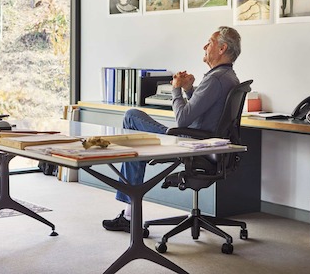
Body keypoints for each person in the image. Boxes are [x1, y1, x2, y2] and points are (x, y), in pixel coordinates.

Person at [102, 26, 242, 232]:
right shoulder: (227, 76)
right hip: (204, 140)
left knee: (132, 116)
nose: (204, 46)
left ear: (221, 48)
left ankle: (131, 214)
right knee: (137, 137)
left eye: (209, 42)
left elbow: (183, 118)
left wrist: (175, 89)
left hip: (188, 142)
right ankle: (130, 212)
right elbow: (204, 110)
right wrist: (188, 89)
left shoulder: (215, 79)